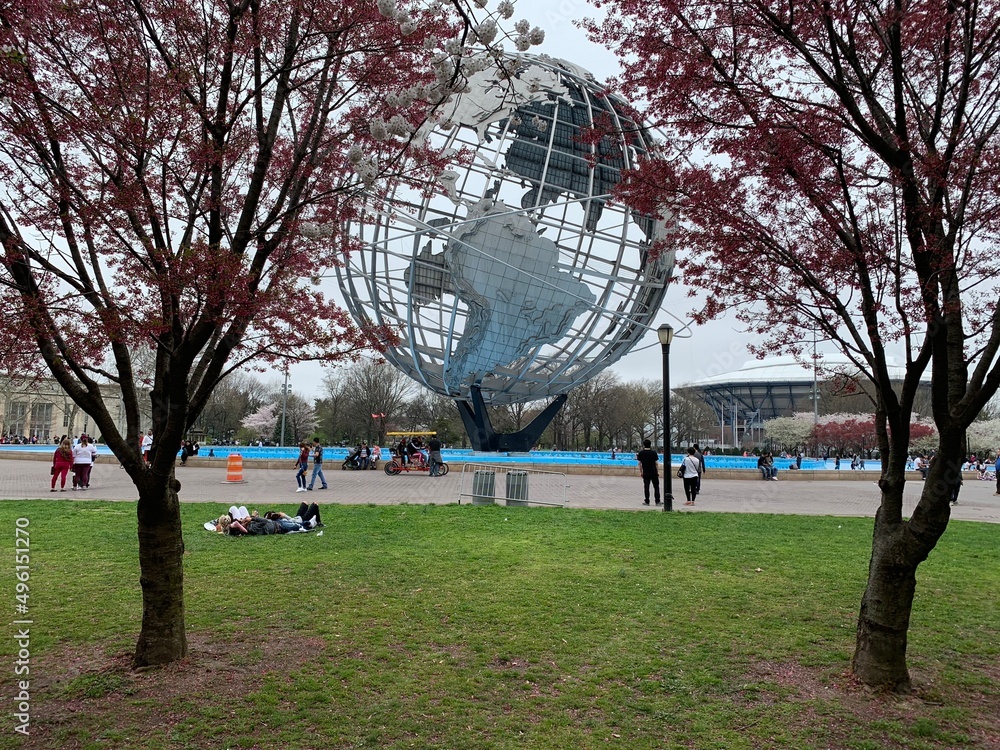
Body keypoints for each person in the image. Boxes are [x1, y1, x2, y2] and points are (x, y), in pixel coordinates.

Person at [635, 439, 660, 505]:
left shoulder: (641, 453)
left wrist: (641, 472)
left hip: (646, 472)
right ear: (650, 444)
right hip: (653, 472)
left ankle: (647, 501)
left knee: (646, 487)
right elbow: (656, 463)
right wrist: (657, 471)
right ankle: (657, 501)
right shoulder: (654, 453)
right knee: (656, 487)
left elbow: (639, 464)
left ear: (644, 445)